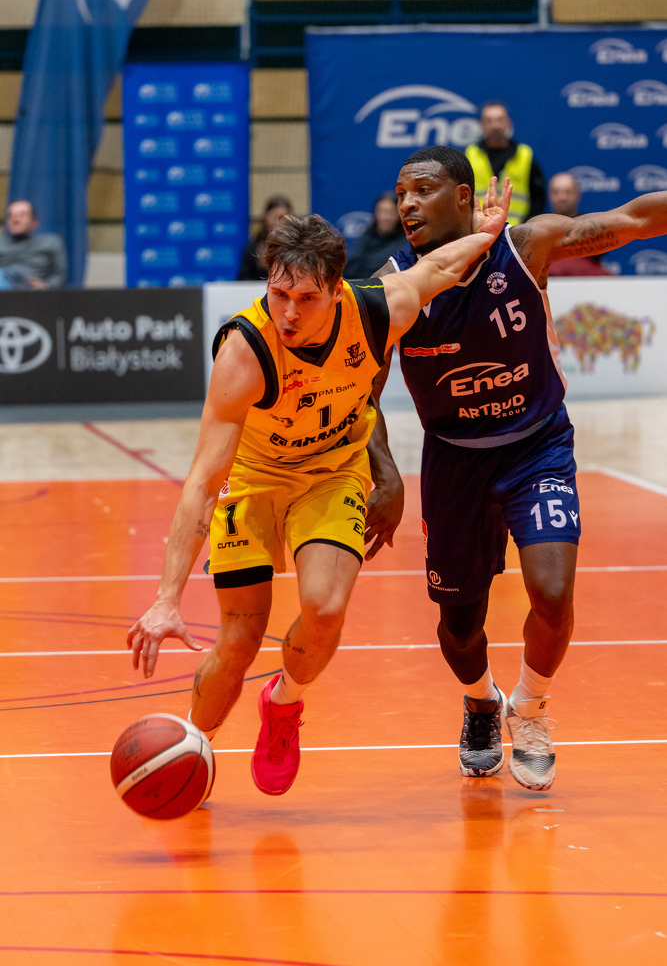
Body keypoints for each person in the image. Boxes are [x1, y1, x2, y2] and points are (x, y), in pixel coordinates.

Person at [126, 188, 511, 797]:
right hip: (254, 479)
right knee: (239, 642)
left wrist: (486, 234)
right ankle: (191, 751)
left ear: (336, 290)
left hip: (332, 474)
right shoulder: (245, 351)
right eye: (279, 293)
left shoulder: (378, 309)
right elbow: (202, 480)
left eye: (307, 298)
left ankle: (284, 703)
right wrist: (166, 598)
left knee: (325, 610)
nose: (289, 312)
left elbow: (438, 267)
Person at [369, 144, 667, 791]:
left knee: (553, 597)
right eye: (400, 193)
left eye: (421, 190)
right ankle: (481, 702)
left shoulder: (525, 248)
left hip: (537, 446)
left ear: (463, 197)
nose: (407, 204)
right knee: (458, 627)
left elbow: (636, 219)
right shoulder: (392, 286)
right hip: (454, 461)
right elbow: (359, 388)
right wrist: (385, 474)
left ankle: (529, 708)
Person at [466, 101, 545, 225]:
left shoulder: (525, 155)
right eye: (489, 121)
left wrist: (526, 226)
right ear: (481, 125)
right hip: (479, 228)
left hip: (517, 230)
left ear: (509, 122)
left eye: (500, 120)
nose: (495, 126)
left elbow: (538, 198)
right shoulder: (470, 155)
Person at [547, 172, 612, 276]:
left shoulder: (593, 228)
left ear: (577, 194)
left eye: (568, 192)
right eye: (556, 192)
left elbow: (596, 265)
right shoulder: (537, 228)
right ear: (549, 195)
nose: (562, 198)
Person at [0, 200, 67, 288]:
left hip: (33, 292)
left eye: (22, 215)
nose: (15, 220)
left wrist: (45, 285)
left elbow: (59, 276)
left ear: (34, 223)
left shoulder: (50, 243)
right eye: (11, 216)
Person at [344, 192, 406, 279]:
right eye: (382, 212)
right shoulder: (367, 235)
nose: (386, 217)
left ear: (399, 215)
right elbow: (351, 267)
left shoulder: (406, 241)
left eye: (391, 212)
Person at [237, 194, 293, 280]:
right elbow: (242, 281)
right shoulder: (252, 249)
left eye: (283, 218)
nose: (278, 223)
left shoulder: (296, 249)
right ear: (265, 216)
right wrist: (261, 269)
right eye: (274, 217)